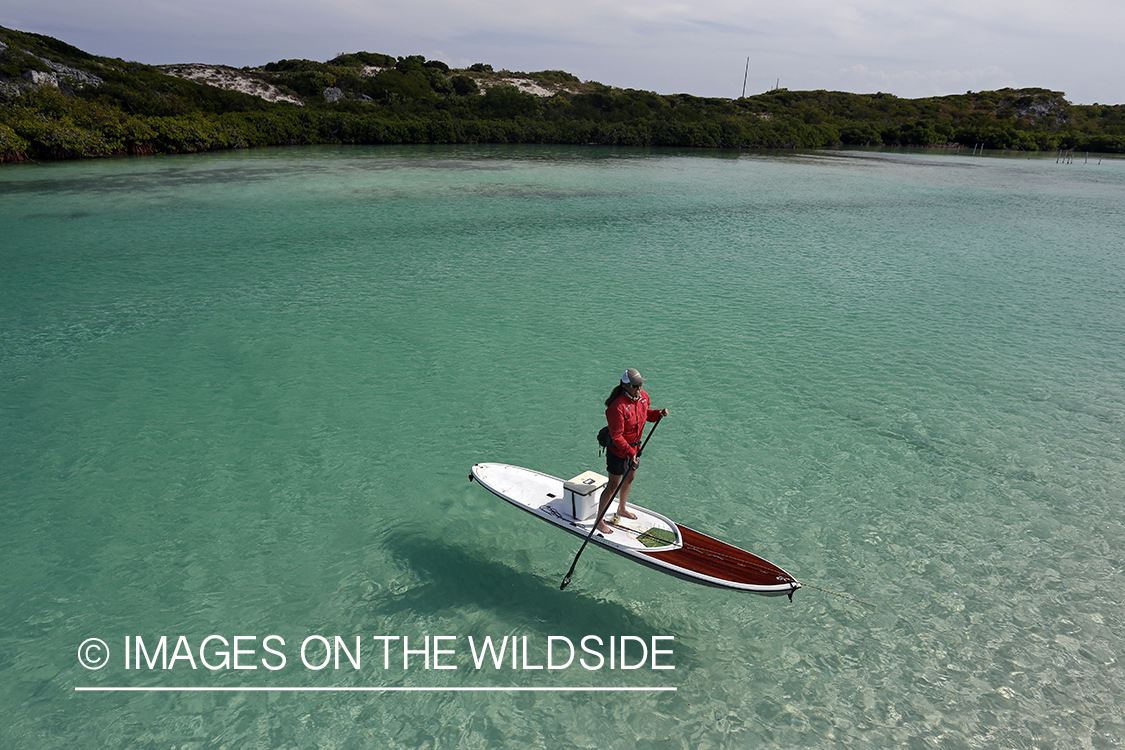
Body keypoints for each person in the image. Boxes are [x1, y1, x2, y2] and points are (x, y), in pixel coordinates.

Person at [597, 368, 668, 534]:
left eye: (641, 384)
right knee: (613, 486)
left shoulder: (644, 397)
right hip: (619, 451)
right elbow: (617, 436)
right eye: (636, 385)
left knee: (630, 478)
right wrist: (631, 453)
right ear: (626, 386)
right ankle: (599, 520)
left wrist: (658, 414)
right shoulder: (617, 407)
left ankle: (621, 508)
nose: (639, 387)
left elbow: (646, 415)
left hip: (635, 449)